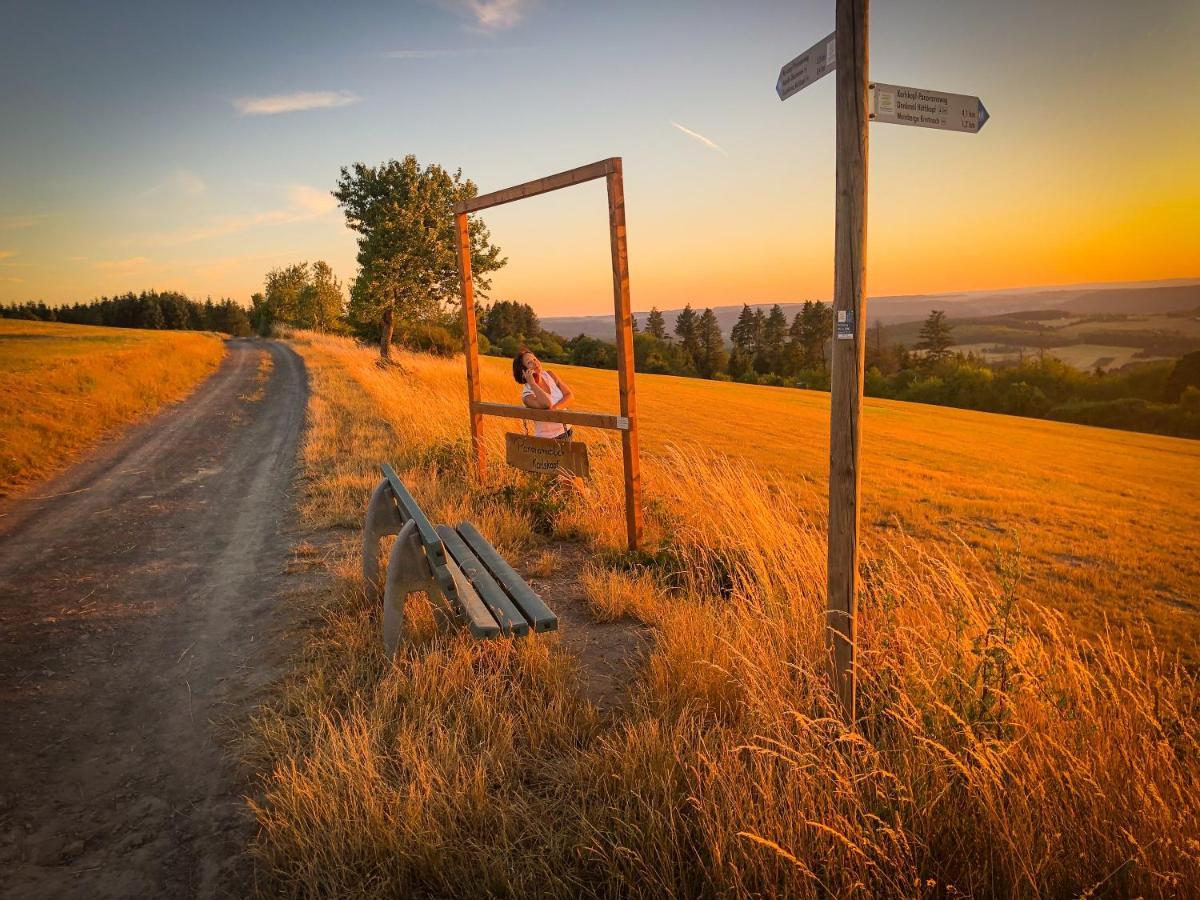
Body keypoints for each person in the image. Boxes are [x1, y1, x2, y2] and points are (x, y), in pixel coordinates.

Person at [513, 348, 574, 440]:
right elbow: (547, 403)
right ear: (523, 372)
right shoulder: (527, 395)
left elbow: (569, 395)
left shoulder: (550, 375)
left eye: (535, 359)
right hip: (548, 439)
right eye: (529, 362)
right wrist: (532, 384)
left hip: (567, 431)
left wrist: (555, 409)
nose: (535, 363)